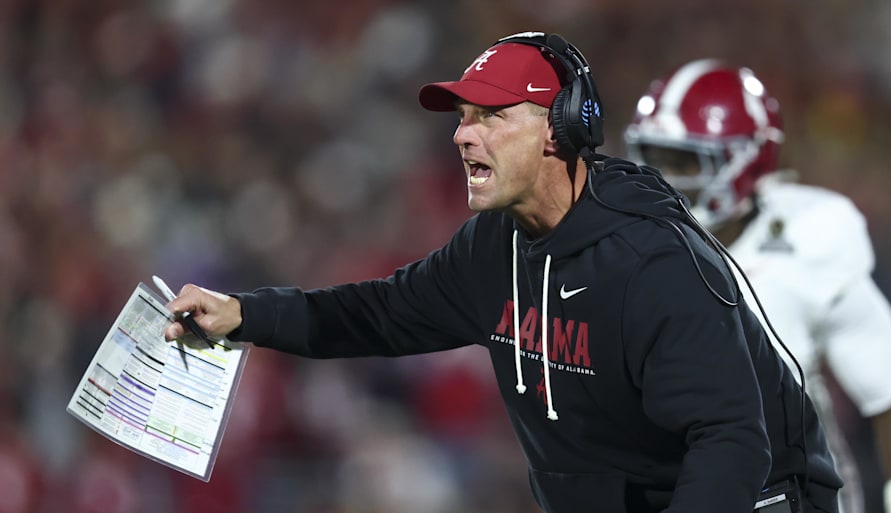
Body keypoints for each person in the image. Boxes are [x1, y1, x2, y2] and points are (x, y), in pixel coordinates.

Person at [164, 32, 843, 513]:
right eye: (463, 117)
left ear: (561, 128)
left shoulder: (652, 264)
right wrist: (245, 315)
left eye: (491, 115)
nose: (463, 134)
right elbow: (377, 313)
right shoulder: (493, 246)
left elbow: (731, 445)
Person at [623, 58, 891, 513]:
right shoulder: (621, 244)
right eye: (655, 157)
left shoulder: (810, 239)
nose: (664, 179)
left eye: (684, 161)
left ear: (744, 160)